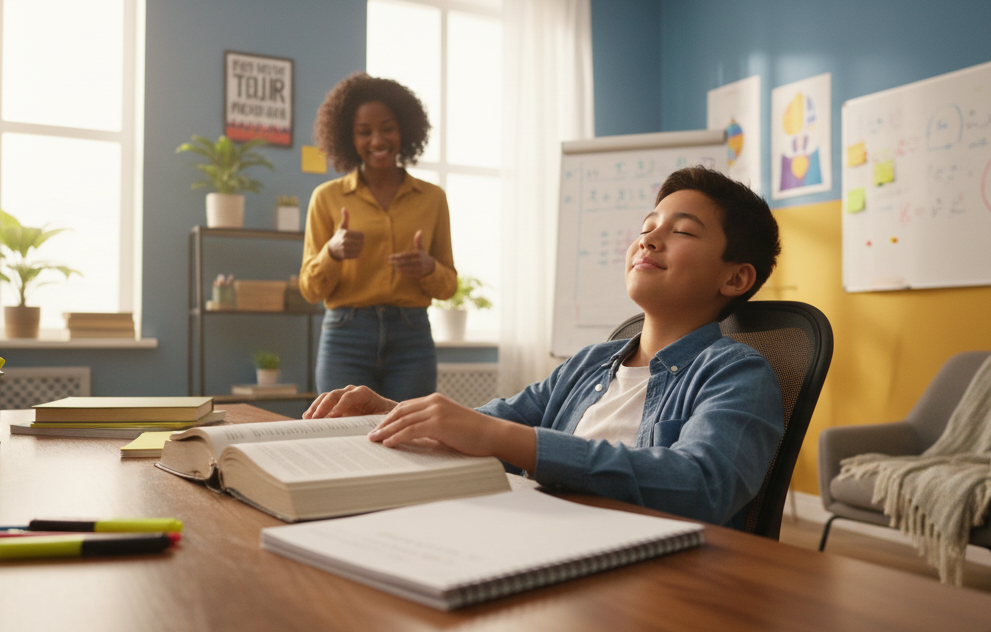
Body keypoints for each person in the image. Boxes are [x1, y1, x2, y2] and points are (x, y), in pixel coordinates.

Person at [304, 166, 785, 528]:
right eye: (647, 226)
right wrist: (391, 411)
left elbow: (703, 486)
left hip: (655, 582)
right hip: (547, 541)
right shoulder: (590, 365)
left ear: (735, 277)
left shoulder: (737, 372)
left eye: (680, 231)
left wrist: (511, 441)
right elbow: (486, 425)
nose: (649, 239)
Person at [299, 73, 457, 401]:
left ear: (405, 130)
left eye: (387, 128)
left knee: (410, 441)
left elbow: (448, 286)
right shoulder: (326, 197)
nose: (377, 140)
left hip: (411, 337)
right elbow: (310, 289)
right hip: (346, 336)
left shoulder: (433, 199)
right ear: (347, 136)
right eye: (364, 132)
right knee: (339, 438)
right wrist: (332, 252)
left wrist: (428, 267)